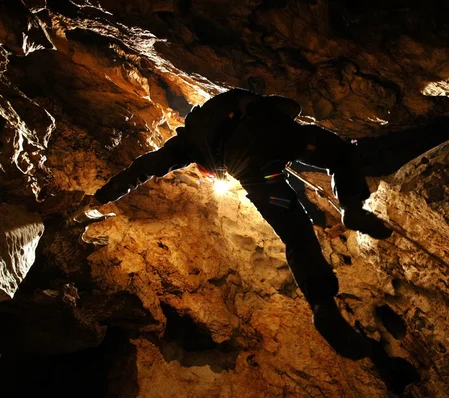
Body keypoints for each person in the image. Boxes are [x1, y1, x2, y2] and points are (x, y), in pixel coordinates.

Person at [89, 88, 393, 359]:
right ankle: (352, 206)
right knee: (341, 154)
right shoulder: (234, 103)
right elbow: (275, 106)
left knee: (296, 234)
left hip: (252, 170)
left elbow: (144, 167)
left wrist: (104, 196)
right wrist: (279, 128)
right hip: (272, 136)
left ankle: (322, 305)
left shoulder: (188, 142)